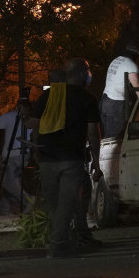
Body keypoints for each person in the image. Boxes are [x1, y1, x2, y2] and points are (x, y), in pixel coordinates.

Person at [31, 58, 102, 258]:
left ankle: (62, 242)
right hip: (71, 159)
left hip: (47, 158)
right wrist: (96, 162)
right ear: (81, 74)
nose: (90, 76)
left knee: (55, 205)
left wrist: (36, 150)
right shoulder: (87, 99)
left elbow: (35, 125)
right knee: (66, 204)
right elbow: (93, 133)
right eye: (88, 71)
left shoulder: (48, 96)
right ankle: (57, 246)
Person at [0, 96, 32, 214]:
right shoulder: (30, 118)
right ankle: (4, 208)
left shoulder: (10, 116)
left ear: (17, 106)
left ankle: (28, 200)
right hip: (24, 154)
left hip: (12, 154)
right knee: (13, 181)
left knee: (7, 182)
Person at [101, 39, 139, 139]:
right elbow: (137, 86)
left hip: (105, 101)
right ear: (137, 52)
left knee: (107, 135)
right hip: (115, 104)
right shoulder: (131, 65)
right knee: (114, 137)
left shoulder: (116, 60)